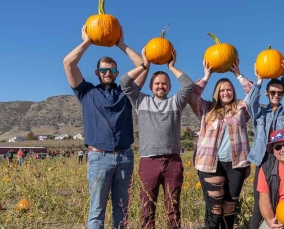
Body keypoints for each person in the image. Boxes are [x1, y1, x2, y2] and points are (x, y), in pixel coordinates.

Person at [63, 25, 142, 229]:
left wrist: (120, 44)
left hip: (124, 156)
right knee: (97, 210)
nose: (108, 73)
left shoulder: (126, 92)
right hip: (99, 157)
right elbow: (68, 62)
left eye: (112, 69)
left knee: (122, 209)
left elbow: (142, 64)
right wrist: (88, 41)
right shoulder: (86, 92)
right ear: (97, 72)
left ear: (117, 72)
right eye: (104, 70)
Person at [121, 48, 194, 229]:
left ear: (169, 87)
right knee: (147, 208)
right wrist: (145, 65)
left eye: (164, 83)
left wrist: (172, 67)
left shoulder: (175, 103)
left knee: (173, 208)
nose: (161, 86)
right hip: (148, 162)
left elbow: (188, 85)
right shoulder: (141, 101)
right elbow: (125, 83)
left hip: (173, 162)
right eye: (157, 84)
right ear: (151, 86)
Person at [189, 59, 251, 229]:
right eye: (222, 90)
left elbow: (255, 94)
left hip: (236, 164)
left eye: (229, 89)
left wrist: (238, 75)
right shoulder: (206, 109)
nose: (226, 93)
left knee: (230, 211)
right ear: (217, 92)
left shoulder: (241, 108)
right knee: (214, 211)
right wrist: (206, 75)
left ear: (233, 91)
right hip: (210, 165)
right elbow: (192, 95)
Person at [247, 59, 284, 229]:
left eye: (279, 93)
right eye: (272, 93)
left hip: (282, 158)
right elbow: (249, 104)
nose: (276, 96)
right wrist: (259, 81)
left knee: (282, 196)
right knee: (260, 201)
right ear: (267, 94)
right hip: (262, 159)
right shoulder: (261, 113)